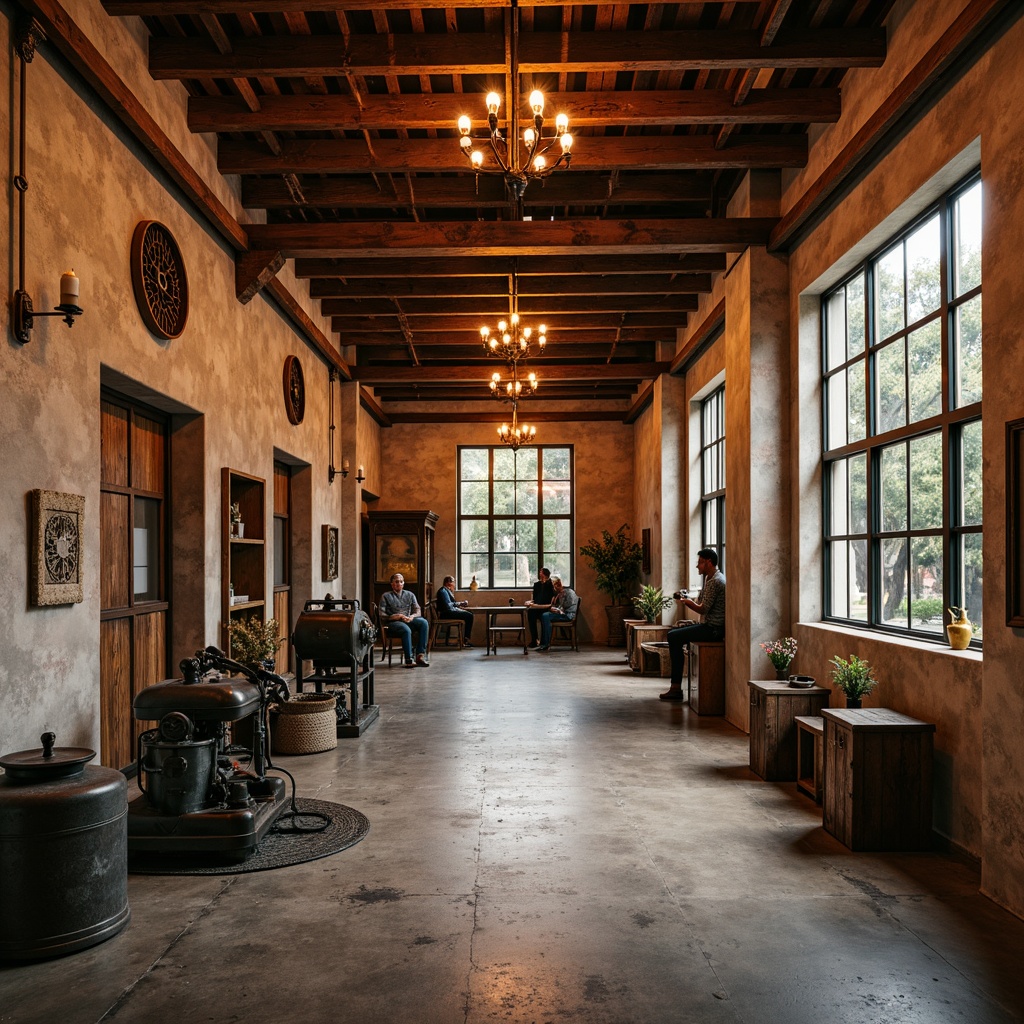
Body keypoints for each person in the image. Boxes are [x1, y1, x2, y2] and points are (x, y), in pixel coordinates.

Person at [660, 548, 726, 701]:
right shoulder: (709, 578)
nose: (697, 566)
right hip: (707, 625)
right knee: (675, 633)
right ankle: (676, 686)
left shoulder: (716, 581)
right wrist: (688, 599)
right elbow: (702, 602)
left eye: (700, 563)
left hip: (713, 629)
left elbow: (703, 608)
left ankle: (675, 688)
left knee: (673, 637)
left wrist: (686, 602)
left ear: (709, 562)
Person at [379, 572, 430, 668]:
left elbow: (418, 609)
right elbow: (382, 615)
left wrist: (412, 616)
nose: (399, 583)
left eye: (401, 581)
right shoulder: (385, 596)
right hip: (393, 623)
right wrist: (396, 616)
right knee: (406, 629)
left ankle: (420, 655)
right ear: (392, 584)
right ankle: (409, 659)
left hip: (408, 619)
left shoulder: (410, 594)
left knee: (424, 622)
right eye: (397, 581)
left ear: (403, 583)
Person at [535, 574, 579, 652]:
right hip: (564, 614)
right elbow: (561, 607)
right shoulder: (560, 594)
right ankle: (544, 643)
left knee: (545, 616)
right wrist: (555, 608)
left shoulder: (568, 592)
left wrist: (558, 608)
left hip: (568, 615)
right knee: (545, 615)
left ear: (556, 585)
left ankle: (545, 644)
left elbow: (568, 606)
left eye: (553, 586)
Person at [436, 575, 475, 648]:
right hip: (446, 614)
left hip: (448, 612)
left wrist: (460, 606)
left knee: (469, 613)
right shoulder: (443, 591)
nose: (454, 585)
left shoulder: (446, 591)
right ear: (448, 583)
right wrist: (460, 604)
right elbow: (448, 606)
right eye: (453, 582)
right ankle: (465, 640)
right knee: (469, 616)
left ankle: (464, 639)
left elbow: (451, 605)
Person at [523, 567, 554, 649]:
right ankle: (535, 639)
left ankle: (544, 641)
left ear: (545, 574)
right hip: (537, 607)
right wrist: (530, 602)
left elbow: (552, 598)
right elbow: (535, 598)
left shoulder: (550, 584)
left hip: (546, 608)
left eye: (541, 572)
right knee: (530, 613)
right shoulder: (537, 585)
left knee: (544, 616)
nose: (540, 573)